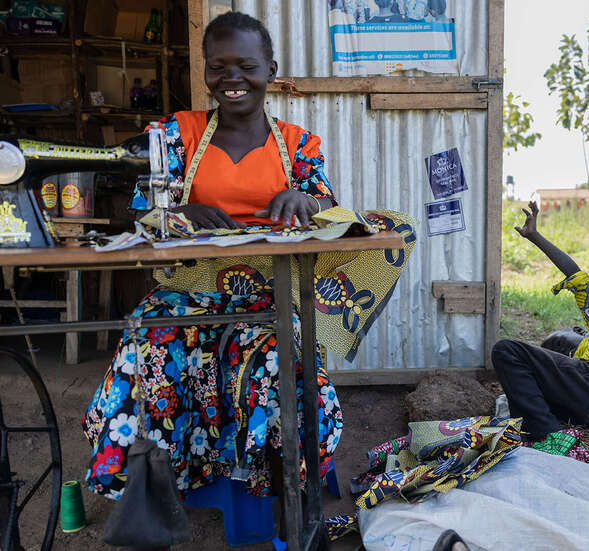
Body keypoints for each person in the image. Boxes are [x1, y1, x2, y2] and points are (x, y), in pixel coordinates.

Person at [82, 11, 414, 513]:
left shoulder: (298, 145)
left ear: (270, 69)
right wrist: (177, 211)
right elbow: (141, 213)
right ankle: (148, 499)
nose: (232, 78)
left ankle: (286, 501)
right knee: (141, 352)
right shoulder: (176, 135)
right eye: (218, 67)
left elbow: (329, 207)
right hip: (186, 293)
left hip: (268, 294)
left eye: (246, 65)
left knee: (284, 370)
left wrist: (306, 202)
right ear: (207, 72)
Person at [491, 201, 589, 448]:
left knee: (505, 349)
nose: (558, 348)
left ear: (580, 332)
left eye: (558, 341)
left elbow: (575, 274)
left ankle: (548, 438)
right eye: (556, 350)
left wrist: (535, 237)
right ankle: (549, 434)